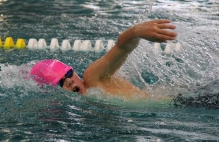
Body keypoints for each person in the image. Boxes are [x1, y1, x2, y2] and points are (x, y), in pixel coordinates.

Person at [30, 19, 177, 99]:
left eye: (68, 74)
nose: (69, 81)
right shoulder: (91, 98)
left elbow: (122, 47)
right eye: (60, 82)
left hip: (179, 102)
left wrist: (135, 31)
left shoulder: (92, 77)